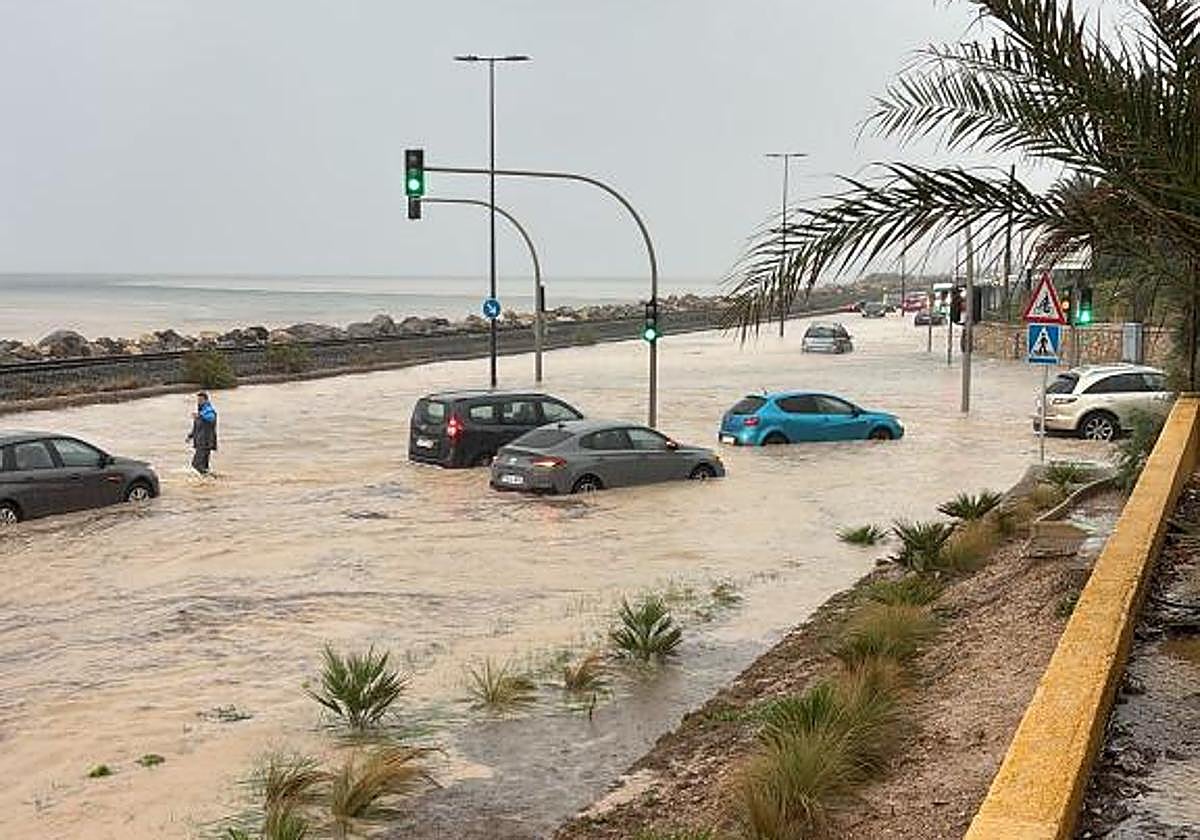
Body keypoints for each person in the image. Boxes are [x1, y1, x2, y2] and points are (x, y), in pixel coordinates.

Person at [187, 391, 218, 474]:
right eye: (198, 400)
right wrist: (190, 436)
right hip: (201, 442)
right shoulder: (201, 411)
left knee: (196, 464)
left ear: (206, 400)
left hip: (206, 442)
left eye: (201, 400)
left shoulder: (209, 410)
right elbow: (197, 427)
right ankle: (209, 481)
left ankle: (207, 480)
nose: (199, 402)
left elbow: (211, 418)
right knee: (203, 465)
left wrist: (200, 416)